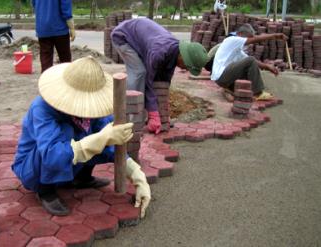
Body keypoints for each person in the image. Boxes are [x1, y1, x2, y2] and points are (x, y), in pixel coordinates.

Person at [11, 57, 151, 217]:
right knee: (70, 133)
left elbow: (110, 142)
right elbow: (51, 155)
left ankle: (81, 178)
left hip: (66, 156)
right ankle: (46, 190)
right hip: (34, 167)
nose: (86, 106)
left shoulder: (91, 110)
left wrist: (137, 175)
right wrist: (100, 139)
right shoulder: (42, 108)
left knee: (99, 135)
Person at [111, 18, 208, 134]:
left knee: (151, 75)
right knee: (139, 72)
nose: (186, 69)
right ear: (183, 57)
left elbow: (164, 80)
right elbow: (149, 82)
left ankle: (145, 113)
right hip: (123, 37)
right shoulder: (158, 52)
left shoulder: (174, 52)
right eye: (188, 66)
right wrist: (153, 112)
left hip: (143, 41)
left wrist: (162, 110)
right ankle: (130, 116)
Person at [211, 23, 288, 100]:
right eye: (248, 38)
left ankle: (230, 89)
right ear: (240, 34)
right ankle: (258, 93)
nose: (249, 42)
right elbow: (255, 41)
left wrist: (267, 67)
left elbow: (252, 61)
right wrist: (275, 35)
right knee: (251, 60)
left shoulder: (237, 50)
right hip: (221, 76)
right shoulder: (231, 39)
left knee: (249, 66)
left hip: (224, 78)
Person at [32, 0, 76, 72]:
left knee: (45, 60)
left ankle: (46, 81)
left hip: (43, 28)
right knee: (65, 60)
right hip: (60, 28)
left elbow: (34, 4)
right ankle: (64, 81)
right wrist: (71, 27)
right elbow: (65, 6)